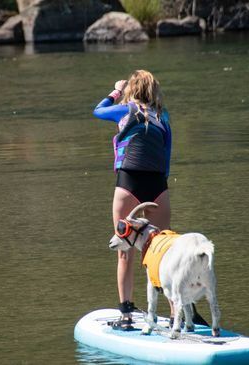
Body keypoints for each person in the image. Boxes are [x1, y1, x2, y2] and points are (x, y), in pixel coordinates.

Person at [93, 70, 172, 330]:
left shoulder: (124, 109)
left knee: (124, 252)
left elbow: (98, 110)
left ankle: (126, 316)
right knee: (161, 252)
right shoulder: (164, 115)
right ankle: (175, 316)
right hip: (159, 186)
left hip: (129, 185)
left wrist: (115, 90)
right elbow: (167, 156)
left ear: (132, 90)